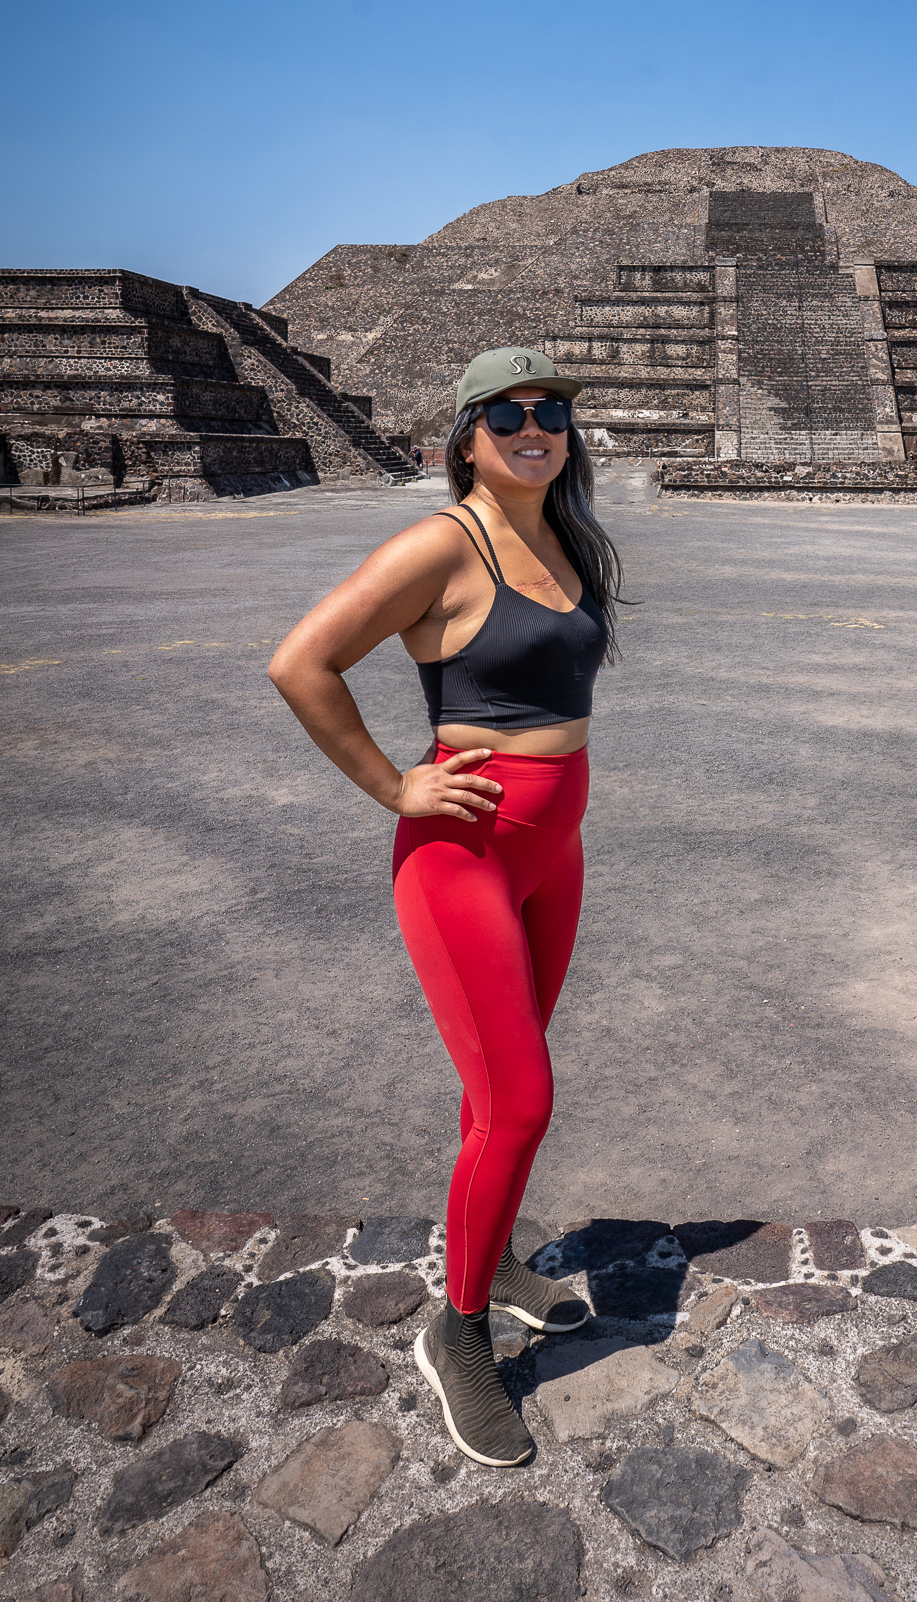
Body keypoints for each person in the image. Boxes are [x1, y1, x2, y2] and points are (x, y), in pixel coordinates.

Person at [268, 346, 625, 1466]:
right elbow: (300, 661)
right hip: (459, 854)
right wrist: (395, 781)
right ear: (465, 433)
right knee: (519, 1100)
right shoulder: (442, 542)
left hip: (548, 851)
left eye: (552, 409)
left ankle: (497, 1257)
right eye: (509, 412)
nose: (536, 425)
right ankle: (457, 1330)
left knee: (498, 1090)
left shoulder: (565, 534)